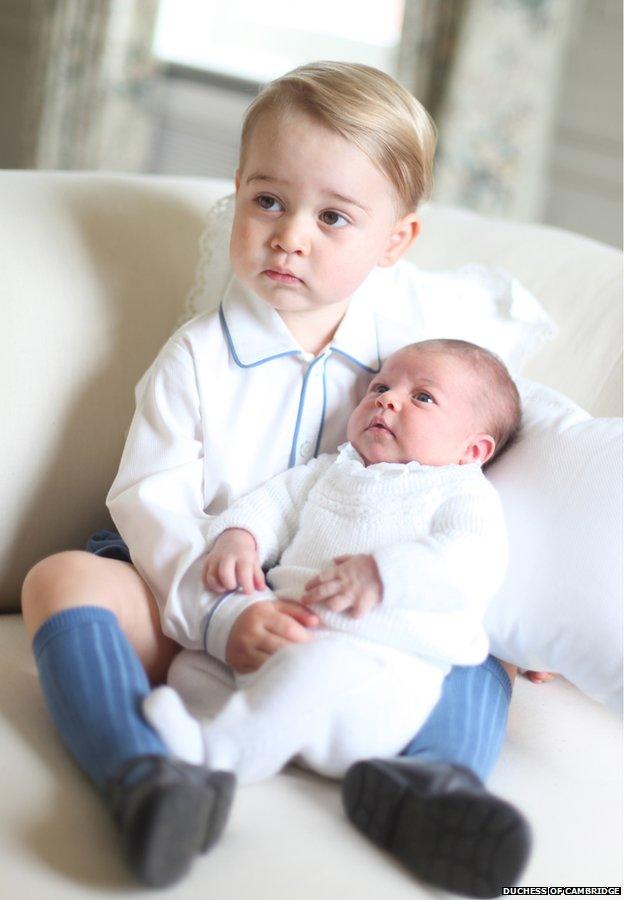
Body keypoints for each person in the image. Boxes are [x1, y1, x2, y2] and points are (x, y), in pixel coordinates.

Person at [21, 61, 531, 895]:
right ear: (238, 195)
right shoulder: (197, 357)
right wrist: (225, 614)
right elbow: (150, 500)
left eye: (334, 216)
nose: (291, 235)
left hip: (352, 612)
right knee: (63, 579)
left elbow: (489, 458)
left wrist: (528, 614)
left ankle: (432, 786)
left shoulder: (414, 357)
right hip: (191, 590)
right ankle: (147, 776)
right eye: (268, 201)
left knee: (483, 652)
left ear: (395, 242)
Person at [143, 339, 520, 814]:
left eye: (422, 397)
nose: (386, 399)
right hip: (279, 644)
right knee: (193, 664)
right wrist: (238, 539)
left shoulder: (460, 493)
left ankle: (218, 757)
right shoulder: (329, 470)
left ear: (473, 450)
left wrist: (385, 574)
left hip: (372, 675)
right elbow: (272, 505)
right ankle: (216, 725)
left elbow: (472, 560)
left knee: (314, 669)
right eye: (381, 386)